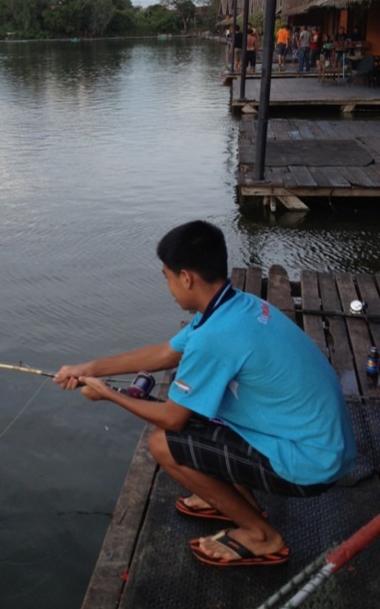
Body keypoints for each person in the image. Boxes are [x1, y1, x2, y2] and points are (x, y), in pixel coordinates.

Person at [55, 221, 356, 568]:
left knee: (163, 443)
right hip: (319, 441)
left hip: (312, 463)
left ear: (186, 278)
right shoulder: (231, 306)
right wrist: (89, 368)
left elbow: (172, 418)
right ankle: (228, 498)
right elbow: (165, 355)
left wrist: (109, 395)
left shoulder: (216, 336)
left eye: (166, 277)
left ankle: (261, 535)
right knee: (200, 412)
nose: (167, 287)